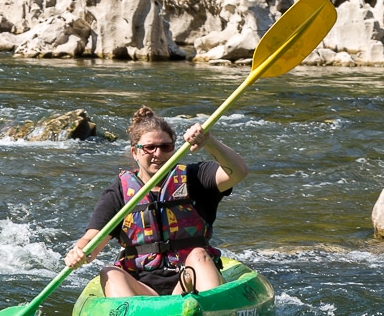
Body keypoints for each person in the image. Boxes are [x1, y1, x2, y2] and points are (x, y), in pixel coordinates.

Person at [64, 106, 249, 298]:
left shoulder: (196, 178)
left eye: (165, 147)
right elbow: (92, 241)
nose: (158, 154)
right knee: (109, 273)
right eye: (149, 147)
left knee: (198, 255)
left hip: (188, 280)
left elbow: (238, 171)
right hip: (142, 288)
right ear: (135, 152)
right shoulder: (118, 192)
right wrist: (79, 251)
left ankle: (212, 313)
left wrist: (208, 142)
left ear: (173, 150)